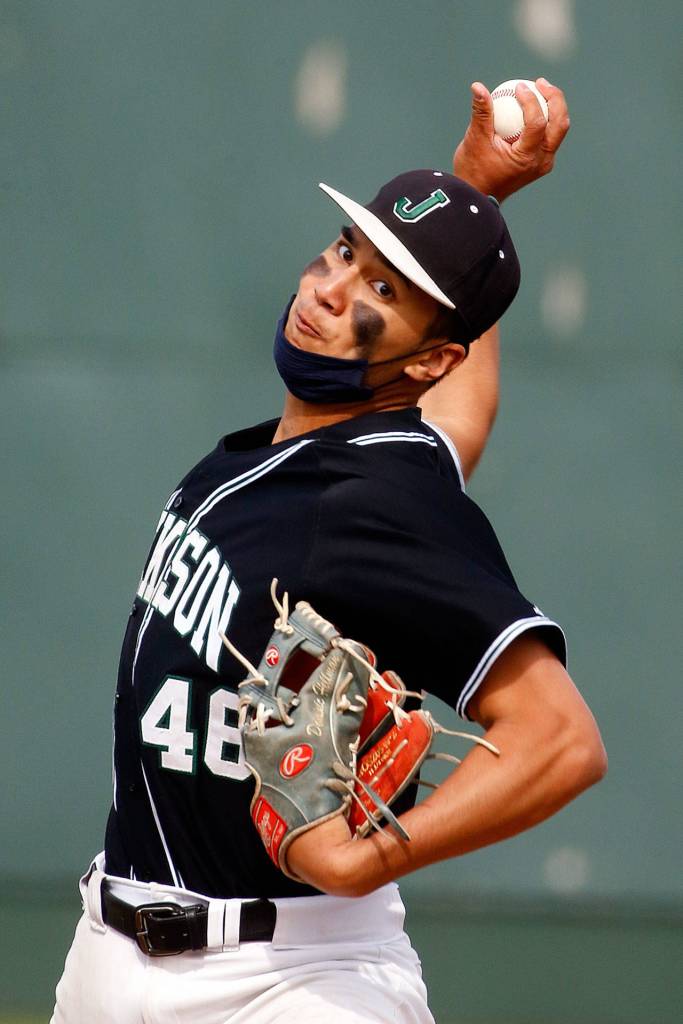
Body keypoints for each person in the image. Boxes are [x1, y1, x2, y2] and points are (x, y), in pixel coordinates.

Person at [51, 80, 606, 1024]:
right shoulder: (365, 450)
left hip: (290, 982)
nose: (329, 289)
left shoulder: (377, 500)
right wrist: (473, 200)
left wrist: (363, 858)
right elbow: (457, 416)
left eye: (382, 293)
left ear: (430, 357)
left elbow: (559, 741)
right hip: (109, 951)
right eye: (346, 252)